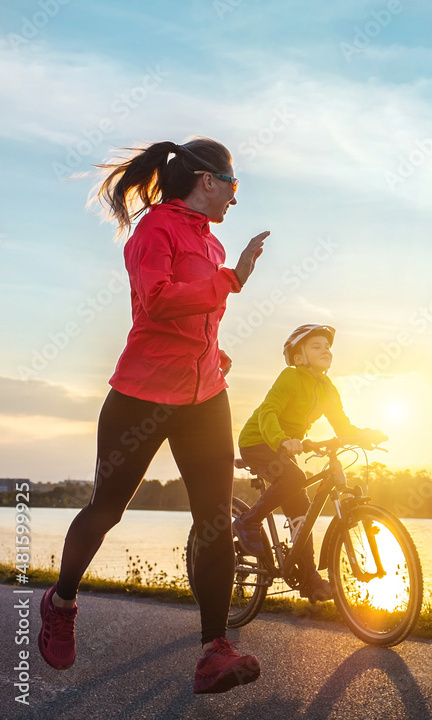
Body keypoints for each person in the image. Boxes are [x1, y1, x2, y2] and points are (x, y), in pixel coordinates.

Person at [37, 137, 269, 695]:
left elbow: (198, 316)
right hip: (142, 397)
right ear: (207, 181)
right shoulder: (154, 232)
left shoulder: (211, 243)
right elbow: (158, 300)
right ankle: (62, 599)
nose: (236, 199)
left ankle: (215, 649)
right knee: (106, 510)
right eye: (233, 185)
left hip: (206, 398)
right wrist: (232, 279)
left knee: (213, 522)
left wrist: (213, 351)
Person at [233, 324, 387, 602]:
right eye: (316, 346)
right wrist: (281, 440)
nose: (325, 350)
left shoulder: (327, 387)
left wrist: (363, 435)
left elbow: (342, 425)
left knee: (301, 509)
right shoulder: (290, 377)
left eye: (327, 346)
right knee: (293, 479)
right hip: (258, 441)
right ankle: (247, 522)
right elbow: (269, 411)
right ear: (299, 356)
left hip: (284, 447)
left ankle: (308, 577)